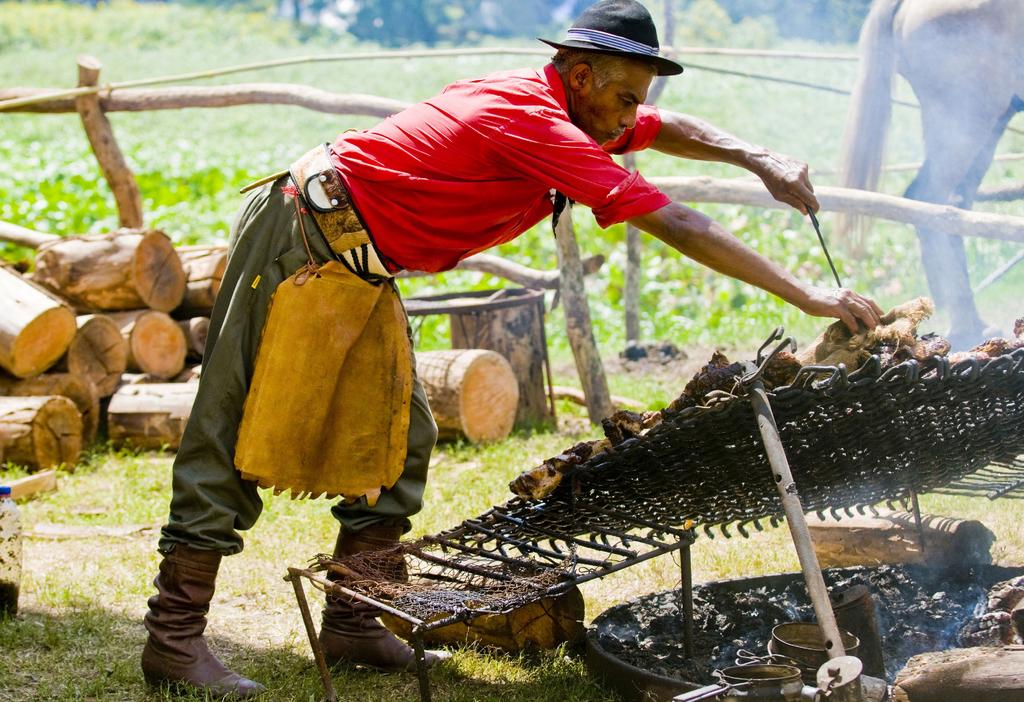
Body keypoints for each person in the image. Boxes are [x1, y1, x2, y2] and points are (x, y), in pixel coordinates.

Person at [140, 0, 884, 697]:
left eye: (639, 101)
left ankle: (352, 625)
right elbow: (676, 223)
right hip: (302, 236)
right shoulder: (530, 118)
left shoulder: (584, 108)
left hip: (360, 260)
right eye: (626, 99)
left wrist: (757, 157)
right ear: (583, 76)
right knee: (233, 430)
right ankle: (174, 640)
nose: (633, 117)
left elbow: (664, 126)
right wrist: (812, 298)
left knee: (399, 441)